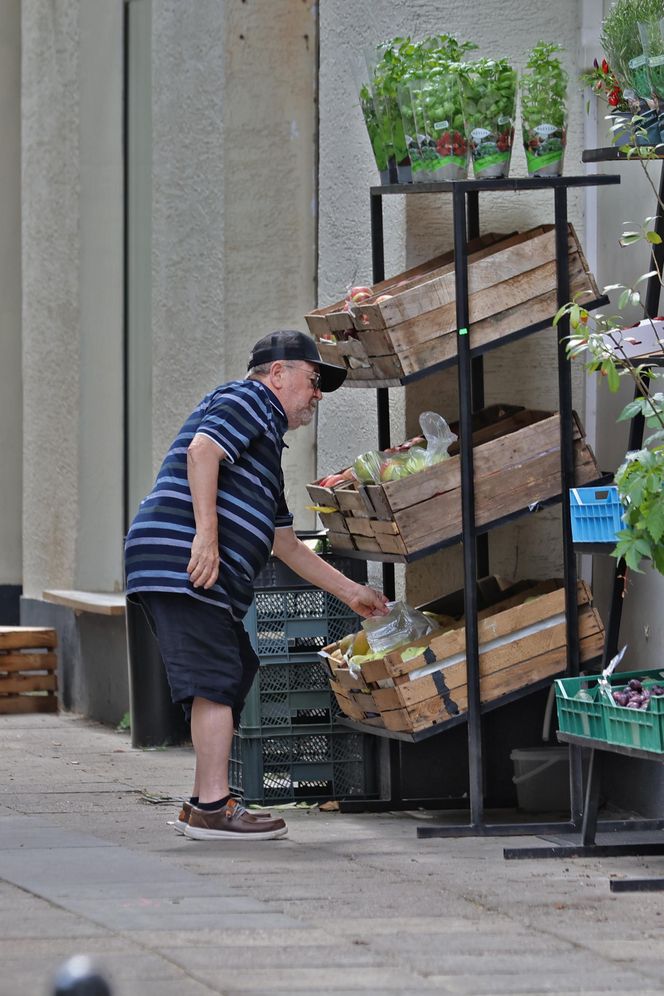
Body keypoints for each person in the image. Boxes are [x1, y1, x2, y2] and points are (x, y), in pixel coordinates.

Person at [125, 329, 389, 841]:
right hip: (185, 562)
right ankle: (213, 808)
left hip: (185, 566)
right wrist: (206, 537)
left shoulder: (266, 449)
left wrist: (352, 594)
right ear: (277, 374)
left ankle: (204, 801)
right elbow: (202, 452)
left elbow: (285, 544)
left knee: (233, 667)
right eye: (313, 381)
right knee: (216, 675)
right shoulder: (249, 399)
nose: (317, 395)